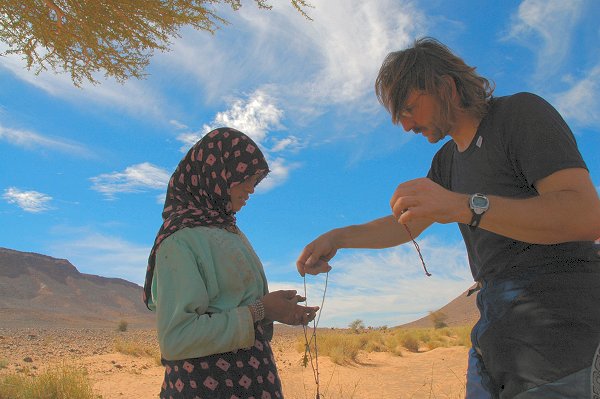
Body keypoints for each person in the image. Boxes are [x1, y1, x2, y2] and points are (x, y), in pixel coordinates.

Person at [296, 37, 600, 398]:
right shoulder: (446, 162)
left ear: (445, 86)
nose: (406, 126)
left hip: (558, 328)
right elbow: (404, 224)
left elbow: (584, 214)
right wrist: (338, 238)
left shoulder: (520, 114)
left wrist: (463, 206)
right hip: (494, 327)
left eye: (409, 108)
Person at [143, 127, 319, 399]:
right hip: (206, 386)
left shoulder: (231, 233)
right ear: (214, 173)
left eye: (255, 181)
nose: (250, 189)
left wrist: (277, 312)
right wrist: (259, 310)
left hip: (256, 380)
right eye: (244, 178)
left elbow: (239, 306)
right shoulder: (179, 241)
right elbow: (176, 338)